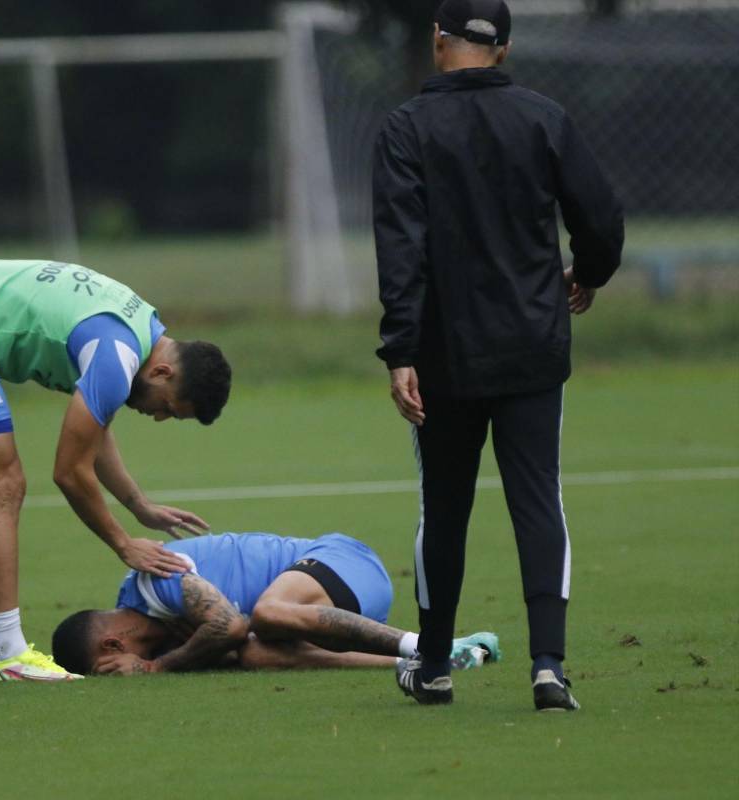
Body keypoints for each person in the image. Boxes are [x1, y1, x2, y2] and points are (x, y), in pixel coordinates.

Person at [372, 0, 624, 711]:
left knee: (443, 507)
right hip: (533, 347)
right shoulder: (544, 118)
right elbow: (600, 217)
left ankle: (434, 668)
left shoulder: (405, 129)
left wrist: (400, 349)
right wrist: (590, 272)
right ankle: (549, 668)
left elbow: (401, 251)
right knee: (538, 499)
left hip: (445, 353)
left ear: (437, 40)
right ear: (505, 51)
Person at [0, 258, 232, 682]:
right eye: (168, 408)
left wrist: (138, 504)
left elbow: (94, 432)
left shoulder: (140, 328)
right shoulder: (118, 357)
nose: (158, 417)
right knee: (3, 485)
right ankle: (8, 656)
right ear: (163, 372)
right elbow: (69, 471)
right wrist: (123, 543)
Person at [51, 531, 500, 676]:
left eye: (107, 668)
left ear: (112, 646)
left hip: (343, 561)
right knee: (253, 654)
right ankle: (430, 662)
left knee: (263, 615)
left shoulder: (152, 582)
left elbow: (226, 627)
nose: (120, 673)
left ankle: (430, 646)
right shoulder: (158, 622)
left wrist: (157, 668)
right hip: (336, 613)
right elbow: (231, 645)